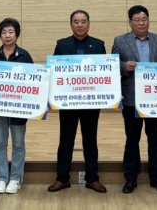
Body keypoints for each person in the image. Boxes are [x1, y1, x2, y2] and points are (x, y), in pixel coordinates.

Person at [48, 10, 108, 194]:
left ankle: (92, 179)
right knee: (66, 140)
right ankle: (62, 178)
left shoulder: (98, 45)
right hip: (68, 102)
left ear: (88, 23)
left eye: (83, 21)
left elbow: (106, 72)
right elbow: (54, 72)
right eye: (76, 21)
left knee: (90, 140)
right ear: (71, 24)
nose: (80, 25)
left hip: (90, 102)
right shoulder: (62, 44)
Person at [112, 5, 157, 194]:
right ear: (130, 22)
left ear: (148, 21)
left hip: (155, 98)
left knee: (156, 139)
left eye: (144, 19)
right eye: (137, 20)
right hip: (131, 98)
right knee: (132, 139)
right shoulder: (120, 41)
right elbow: (112, 65)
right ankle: (130, 178)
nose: (141, 23)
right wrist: (123, 66)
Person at [0, 18, 34, 194]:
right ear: (0, 35)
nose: (7, 35)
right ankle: (1, 178)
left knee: (18, 144)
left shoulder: (25, 56)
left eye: (11, 32)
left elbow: (33, 82)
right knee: (0, 143)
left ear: (17, 35)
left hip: (18, 108)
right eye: (4, 32)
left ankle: (15, 178)